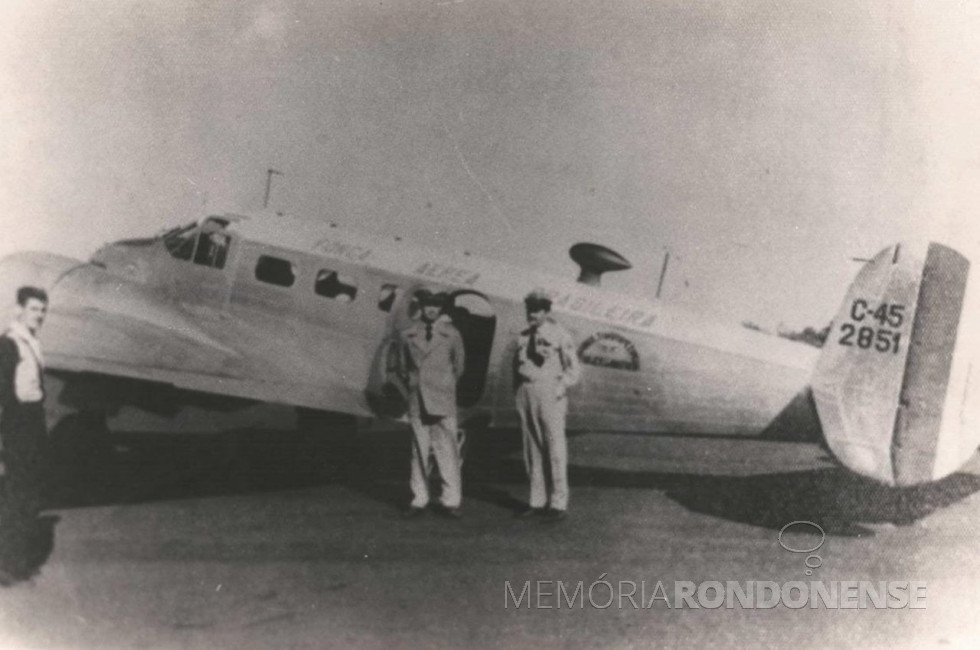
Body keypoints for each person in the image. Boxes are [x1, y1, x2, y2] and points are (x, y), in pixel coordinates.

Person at [397, 290, 466, 518]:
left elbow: (459, 365)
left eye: (436, 306)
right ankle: (419, 499)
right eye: (428, 305)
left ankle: (450, 501)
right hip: (418, 399)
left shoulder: (452, 334)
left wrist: (444, 385)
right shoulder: (408, 334)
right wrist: (415, 385)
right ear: (422, 307)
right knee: (418, 450)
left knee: (447, 450)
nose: (432, 310)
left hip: (442, 399)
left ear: (441, 308)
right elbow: (403, 367)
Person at [513, 290, 580, 521]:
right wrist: (518, 394)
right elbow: (516, 368)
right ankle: (537, 501)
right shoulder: (523, 336)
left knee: (555, 449)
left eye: (536, 310)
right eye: (529, 310)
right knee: (531, 448)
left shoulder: (560, 335)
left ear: (546, 311)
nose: (531, 315)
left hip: (550, 392)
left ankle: (558, 504)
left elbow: (573, 369)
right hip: (527, 391)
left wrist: (560, 388)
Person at [0, 287, 50, 572]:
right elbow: (3, 392)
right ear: (19, 310)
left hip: (33, 419)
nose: (39, 315)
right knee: (18, 487)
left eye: (43, 310)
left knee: (30, 485)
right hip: (19, 421)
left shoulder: (32, 341)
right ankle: (12, 557)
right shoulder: (9, 343)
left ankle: (20, 550)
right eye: (34, 309)